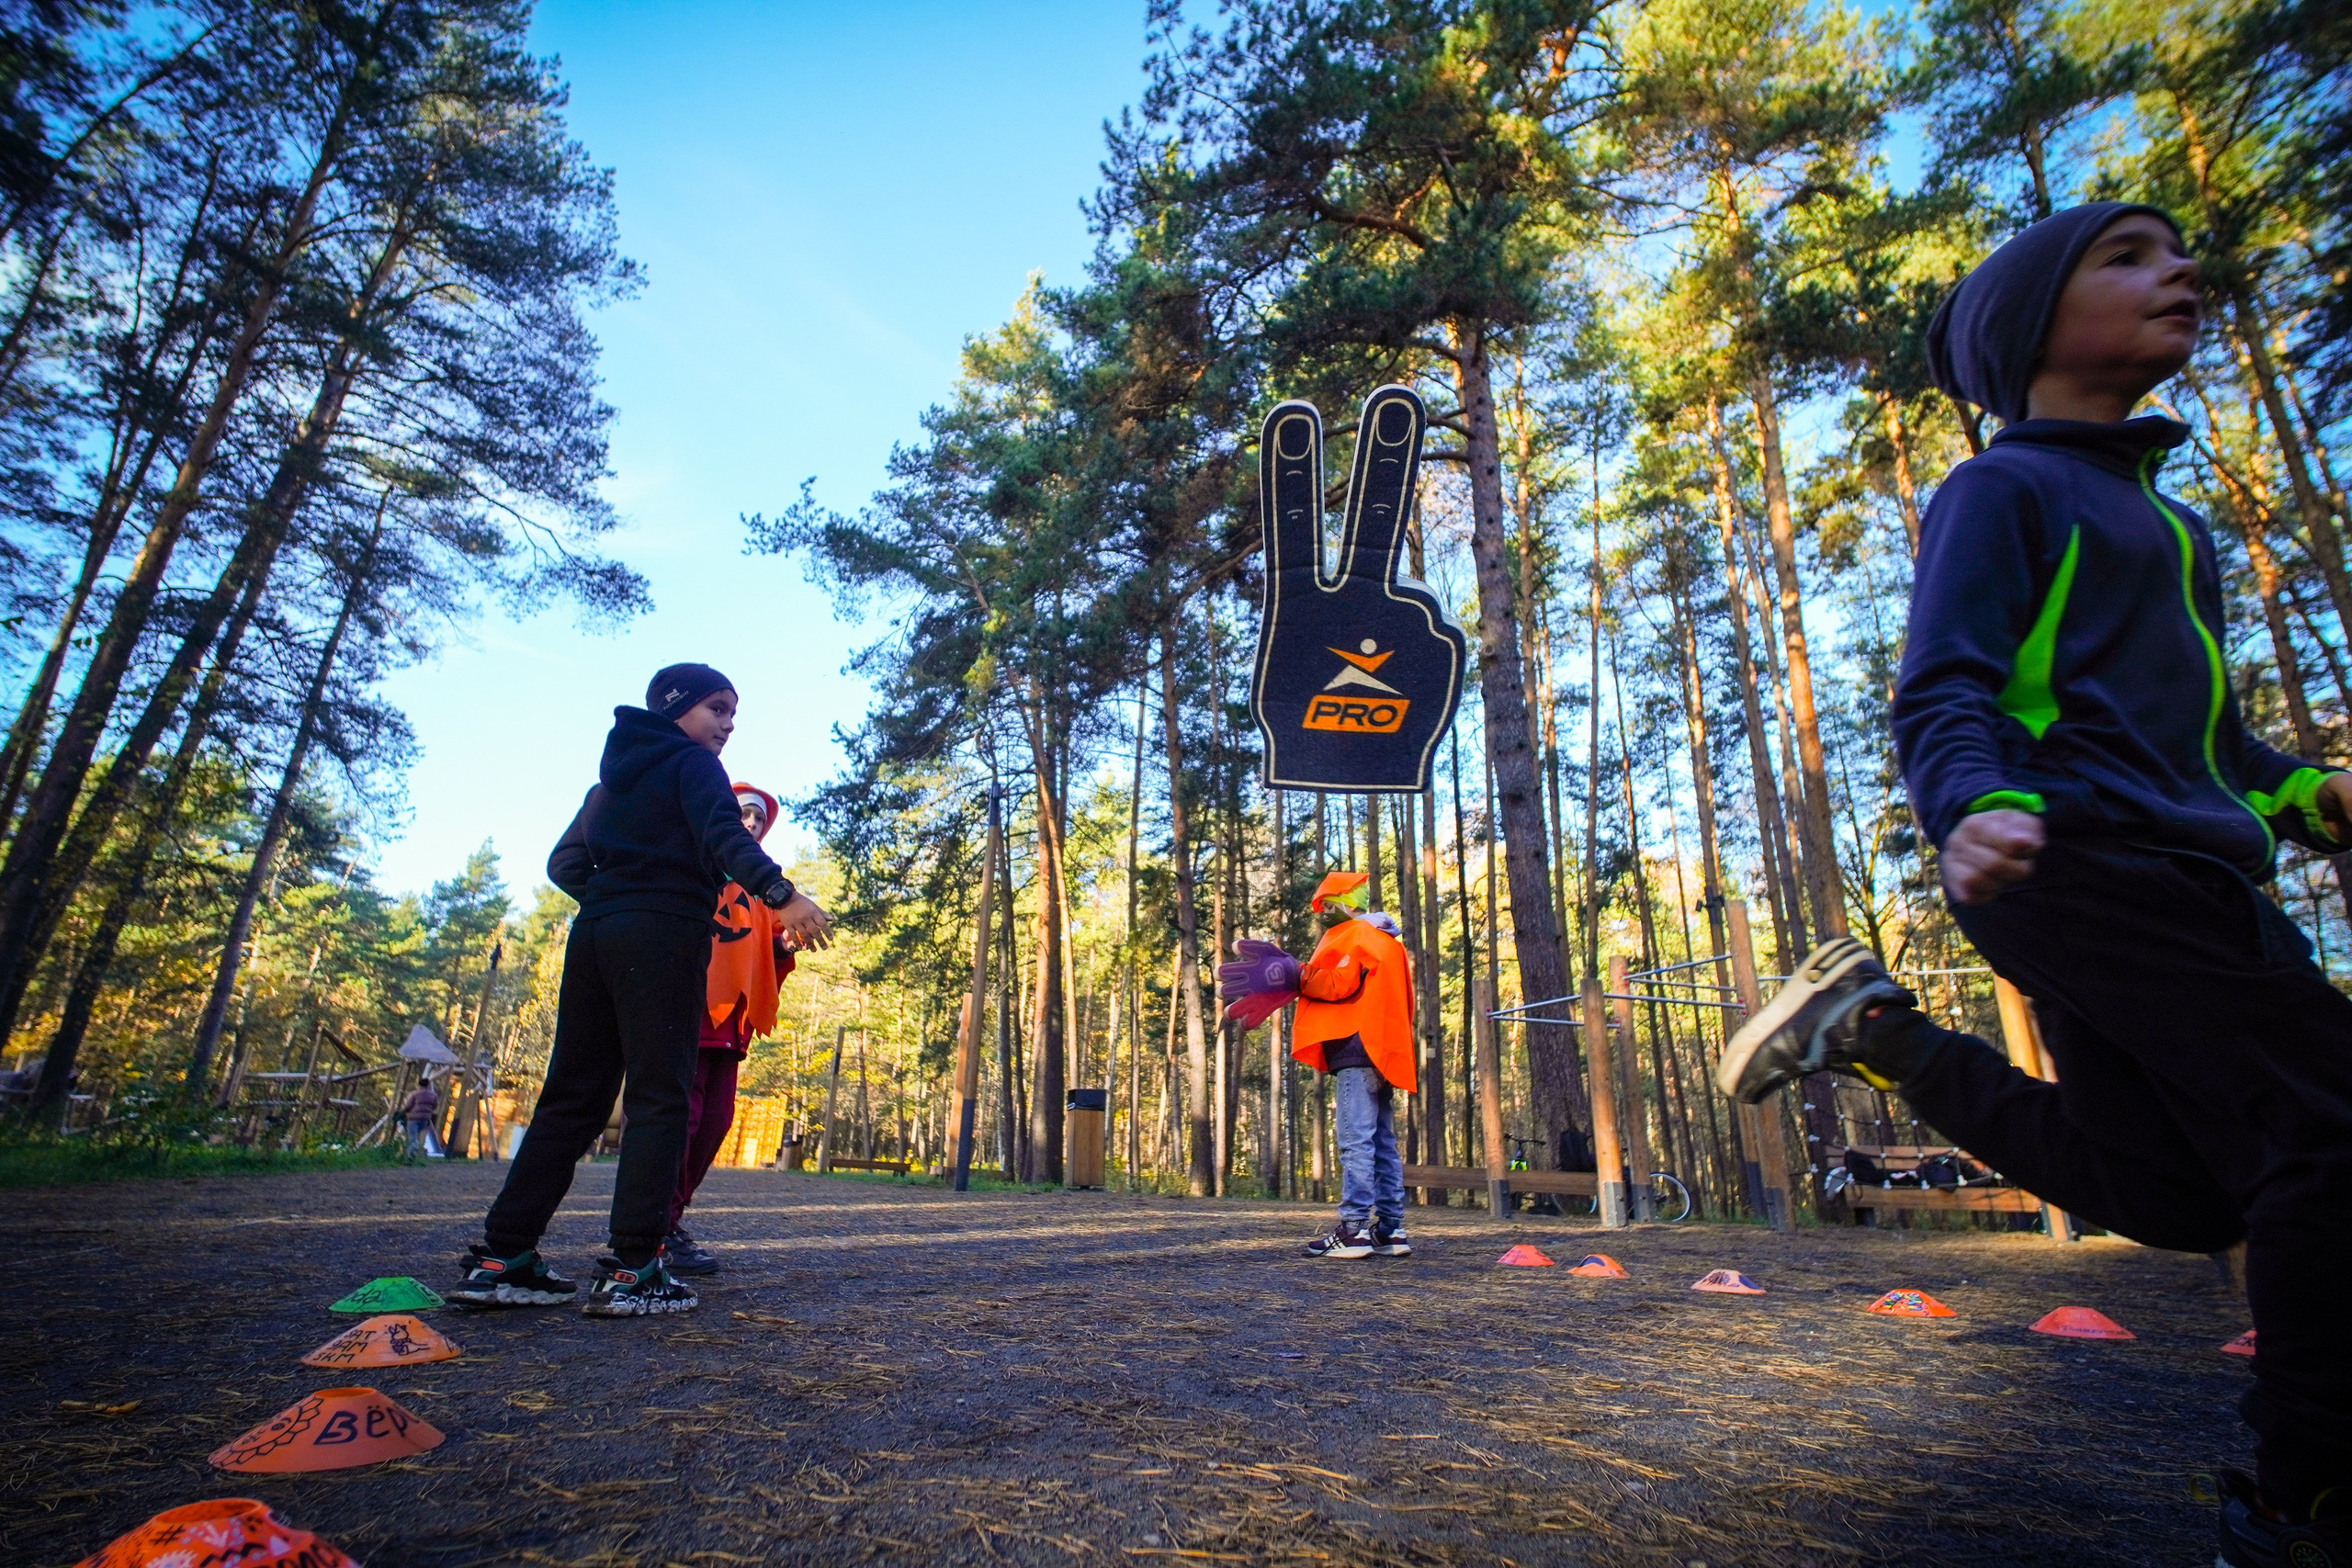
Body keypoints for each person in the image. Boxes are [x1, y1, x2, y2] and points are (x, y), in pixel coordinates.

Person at [1711, 203, 2352, 1568]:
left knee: (2182, 1191)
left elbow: (2211, 734)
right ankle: (2316, 1499)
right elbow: (1945, 680)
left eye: (2178, 248)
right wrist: (1973, 807)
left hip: (2162, 861)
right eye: (2126, 254)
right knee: (2336, 1128)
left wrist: (2303, 792)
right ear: (2030, 324)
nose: (2179, 267)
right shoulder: (2005, 491)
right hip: (2089, 861)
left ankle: (1882, 1034)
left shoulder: (2169, 525)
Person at [448, 662, 832, 1319]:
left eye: (733, 713)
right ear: (675, 707)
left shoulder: (612, 779)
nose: (729, 724)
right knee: (661, 1095)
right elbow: (723, 837)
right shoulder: (693, 767)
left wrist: (615, 899)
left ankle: (502, 1257)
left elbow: (564, 863)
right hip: (663, 936)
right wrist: (783, 895)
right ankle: (635, 1266)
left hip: (596, 932)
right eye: (718, 708)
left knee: (572, 1097)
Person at [1221, 871, 1417, 1258]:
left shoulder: (1358, 936)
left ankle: (1355, 1230)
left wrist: (1297, 973)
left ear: (1348, 901)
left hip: (1357, 1047)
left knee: (1355, 1140)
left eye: (1326, 902)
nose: (1320, 911)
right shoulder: (1387, 942)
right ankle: (1391, 1231)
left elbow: (1338, 982)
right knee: (1381, 1143)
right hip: (1383, 1051)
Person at [661, 782, 797, 1275]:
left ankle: (671, 1218)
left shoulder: (763, 891)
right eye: (744, 815)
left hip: (731, 1024)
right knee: (681, 1119)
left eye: (760, 820)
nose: (753, 824)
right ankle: (656, 1226)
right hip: (691, 1009)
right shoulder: (694, 862)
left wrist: (784, 951)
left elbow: (766, 955)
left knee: (715, 1122)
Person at [398, 1077, 440, 1161]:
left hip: (413, 1118)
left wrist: (403, 1112)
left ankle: (411, 1156)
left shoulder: (414, 1094)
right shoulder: (433, 1095)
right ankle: (417, 1152)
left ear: (419, 1084)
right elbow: (435, 1106)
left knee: (412, 1137)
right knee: (418, 1136)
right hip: (425, 1119)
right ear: (428, 1084)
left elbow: (408, 1106)